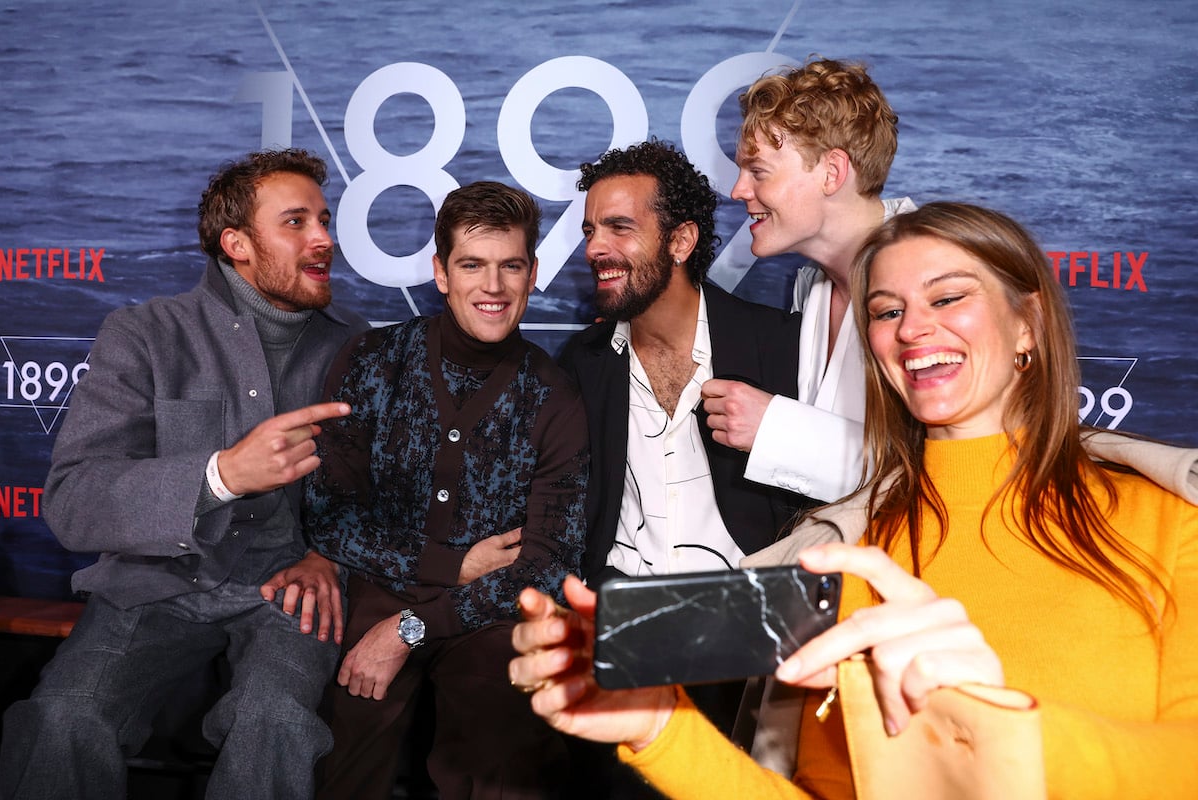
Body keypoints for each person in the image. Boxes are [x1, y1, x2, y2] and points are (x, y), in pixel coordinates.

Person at [509, 202, 1198, 799]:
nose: (912, 329)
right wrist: (660, 728)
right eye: (887, 310)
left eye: (948, 297)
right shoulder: (844, 559)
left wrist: (1000, 728)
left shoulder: (1169, 523)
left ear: (1029, 324)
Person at [0, 148, 370, 799]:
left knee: (274, 722)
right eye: (296, 222)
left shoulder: (359, 346)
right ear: (237, 244)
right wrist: (221, 474)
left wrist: (326, 559)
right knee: (62, 720)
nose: (323, 239)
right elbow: (74, 501)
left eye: (324, 218)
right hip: (154, 582)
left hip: (287, 589)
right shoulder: (143, 334)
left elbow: (380, 493)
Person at [304, 181, 588, 800]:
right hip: (379, 588)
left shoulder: (554, 395)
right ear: (440, 272)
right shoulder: (375, 359)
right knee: (345, 756)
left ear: (533, 273)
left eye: (510, 266)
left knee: (502, 754)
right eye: (472, 265)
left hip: (491, 609)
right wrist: (449, 565)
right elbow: (329, 517)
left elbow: (544, 565)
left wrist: (411, 628)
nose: (493, 286)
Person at [562, 138, 801, 587]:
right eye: (590, 231)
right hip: (620, 612)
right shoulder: (583, 363)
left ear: (681, 241)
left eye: (619, 227)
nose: (595, 248)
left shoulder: (778, 344)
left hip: (748, 612)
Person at [702, 58, 915, 503]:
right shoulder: (813, 285)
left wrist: (776, 429)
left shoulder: (935, 281)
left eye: (758, 171)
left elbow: (947, 467)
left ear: (832, 173)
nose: (738, 191)